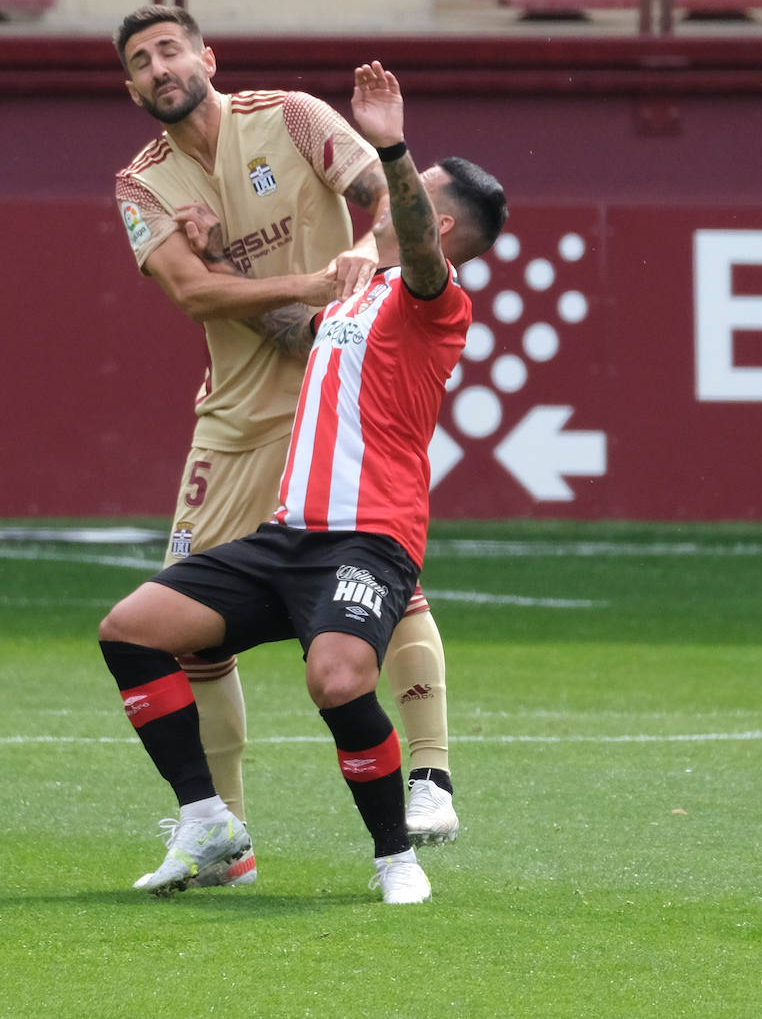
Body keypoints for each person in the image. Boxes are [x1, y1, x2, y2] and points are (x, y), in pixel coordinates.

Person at [100, 59, 508, 903]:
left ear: (429, 220)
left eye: (413, 191)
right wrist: (221, 264)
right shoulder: (350, 300)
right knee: (133, 629)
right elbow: (284, 325)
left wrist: (391, 144)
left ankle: (397, 853)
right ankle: (209, 819)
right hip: (290, 534)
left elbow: (418, 244)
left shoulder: (433, 298)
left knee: (333, 679)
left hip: (367, 534)